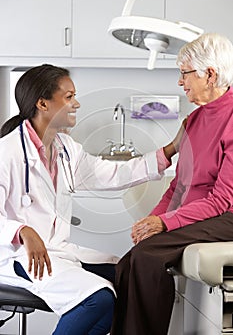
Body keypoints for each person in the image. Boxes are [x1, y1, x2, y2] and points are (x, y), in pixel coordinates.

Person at [0, 64, 184, 335]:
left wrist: (170, 149)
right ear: (43, 103)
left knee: (126, 276)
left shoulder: (65, 149)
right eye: (69, 97)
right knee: (97, 299)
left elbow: (112, 173)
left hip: (56, 251)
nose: (77, 103)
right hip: (17, 256)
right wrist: (22, 231)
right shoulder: (7, 152)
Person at [110, 32, 233, 335]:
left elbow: (221, 201)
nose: (180, 82)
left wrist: (165, 224)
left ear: (210, 74)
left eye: (185, 74)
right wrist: (153, 219)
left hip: (227, 216)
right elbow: (178, 187)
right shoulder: (191, 122)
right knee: (127, 262)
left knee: (147, 258)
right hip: (202, 214)